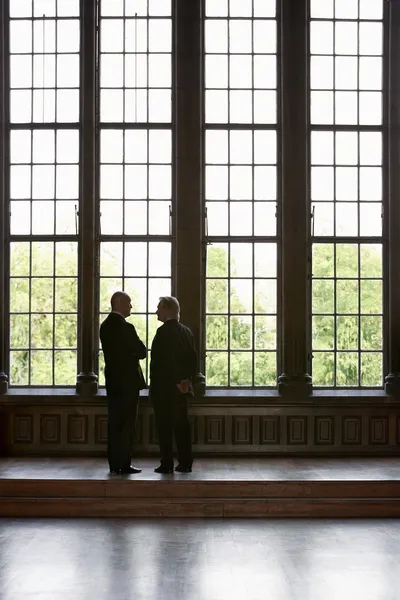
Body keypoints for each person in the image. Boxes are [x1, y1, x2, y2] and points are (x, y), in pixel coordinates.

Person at [100, 291, 147, 475]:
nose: (131, 307)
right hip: (128, 382)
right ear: (119, 304)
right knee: (127, 424)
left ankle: (114, 464)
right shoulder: (127, 327)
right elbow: (142, 351)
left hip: (113, 381)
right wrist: (132, 354)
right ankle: (124, 464)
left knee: (114, 422)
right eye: (128, 303)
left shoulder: (104, 326)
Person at [150, 296, 197, 474]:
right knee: (182, 427)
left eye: (159, 308)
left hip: (164, 389)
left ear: (167, 310)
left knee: (164, 427)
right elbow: (192, 359)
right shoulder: (186, 331)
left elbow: (162, 363)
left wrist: (175, 381)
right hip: (182, 389)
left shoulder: (162, 333)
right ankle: (186, 463)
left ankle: (167, 463)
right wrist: (186, 380)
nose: (156, 311)